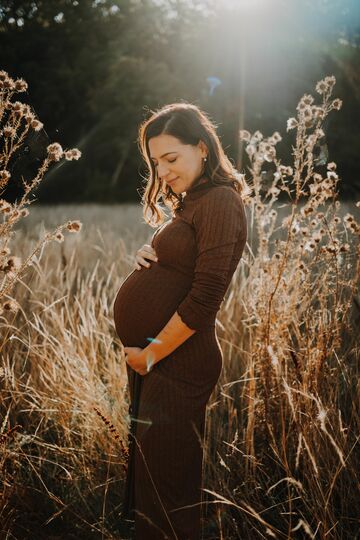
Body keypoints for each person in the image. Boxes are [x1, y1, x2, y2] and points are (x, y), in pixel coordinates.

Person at [113, 102, 249, 539]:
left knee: (168, 492)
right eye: (156, 162)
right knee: (153, 485)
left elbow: (206, 296)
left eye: (172, 158)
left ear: (203, 148)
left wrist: (151, 354)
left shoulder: (221, 202)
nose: (163, 171)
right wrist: (147, 257)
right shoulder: (194, 202)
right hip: (161, 363)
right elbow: (181, 268)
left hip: (177, 363)